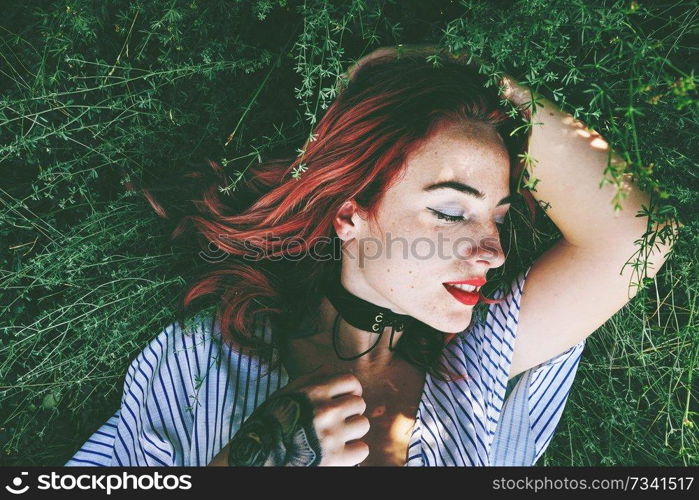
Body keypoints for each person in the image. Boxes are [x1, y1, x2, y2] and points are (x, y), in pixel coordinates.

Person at [65, 45, 676, 467]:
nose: (491, 249)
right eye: (450, 209)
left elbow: (634, 235)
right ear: (351, 216)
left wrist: (453, 68)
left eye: (497, 215)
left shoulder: (476, 365)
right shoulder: (207, 362)